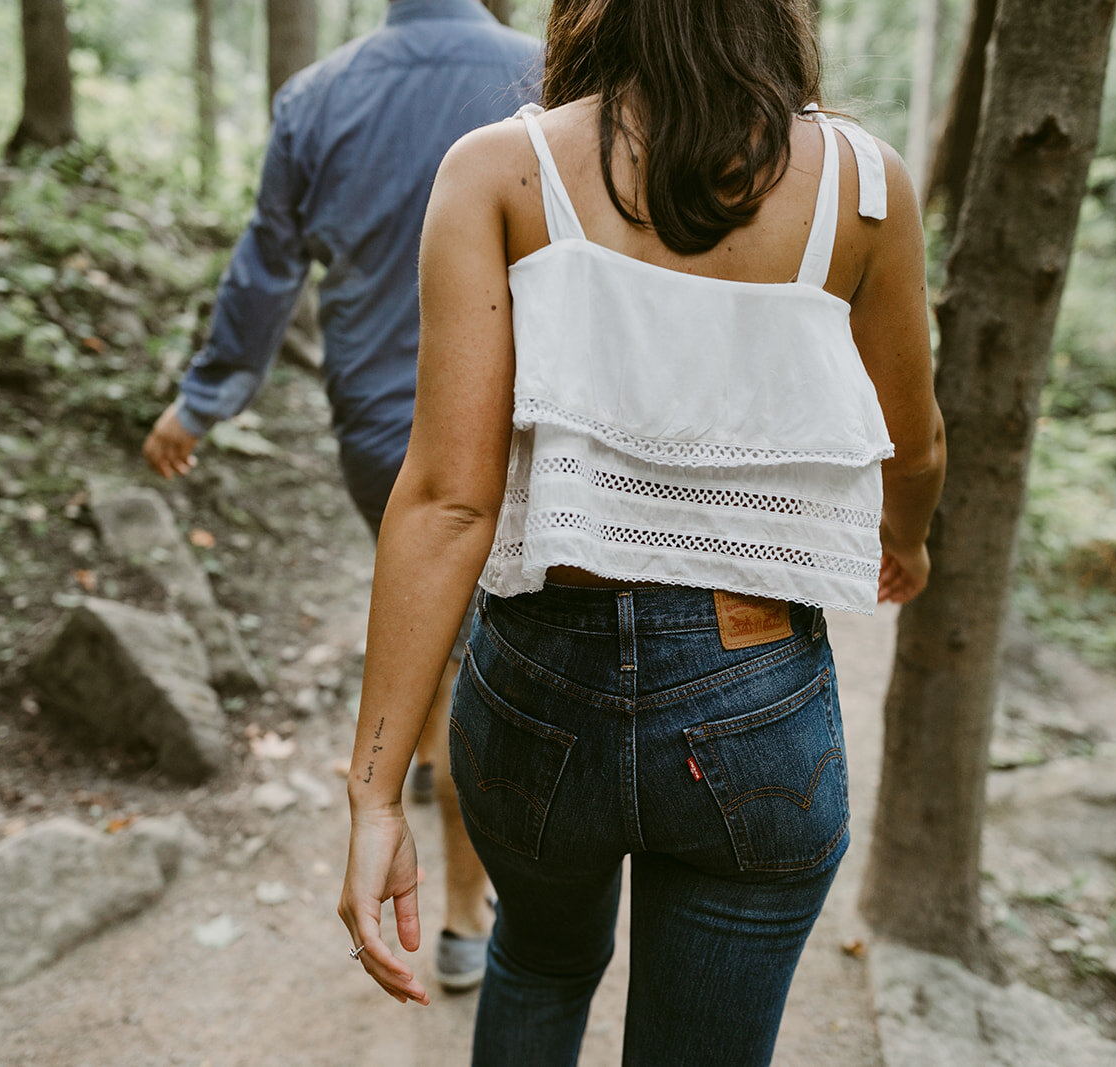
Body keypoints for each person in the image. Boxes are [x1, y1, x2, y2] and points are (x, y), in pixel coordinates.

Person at [337, 0, 946, 1059]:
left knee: (536, 960)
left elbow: (447, 498)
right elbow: (918, 440)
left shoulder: (497, 170)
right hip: (753, 688)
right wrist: (908, 535)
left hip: (536, 681)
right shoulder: (863, 186)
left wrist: (374, 794)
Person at [142, 0, 542, 993]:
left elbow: (265, 272)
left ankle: (418, 754)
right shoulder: (542, 75)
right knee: (477, 654)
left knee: (439, 625)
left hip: (376, 427)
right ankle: (458, 921)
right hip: (510, 418)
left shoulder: (318, 96)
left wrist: (200, 402)